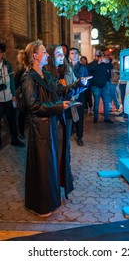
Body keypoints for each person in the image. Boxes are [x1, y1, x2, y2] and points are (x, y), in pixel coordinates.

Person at [19, 40, 88, 217]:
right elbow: (32, 106)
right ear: (35, 55)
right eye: (44, 52)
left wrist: (79, 84)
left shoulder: (47, 75)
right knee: (43, 168)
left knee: (51, 166)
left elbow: (63, 91)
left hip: (51, 125)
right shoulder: (28, 77)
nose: (48, 55)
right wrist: (58, 107)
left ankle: (51, 200)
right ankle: (40, 205)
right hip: (40, 129)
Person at [45, 44, 79, 199]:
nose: (61, 56)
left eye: (62, 53)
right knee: (55, 148)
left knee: (66, 145)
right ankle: (56, 178)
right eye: (58, 53)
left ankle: (65, 174)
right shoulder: (47, 73)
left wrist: (74, 92)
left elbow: (72, 89)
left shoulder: (67, 69)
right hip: (54, 115)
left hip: (68, 113)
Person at [0, 42, 25, 149]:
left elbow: (11, 82)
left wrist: (14, 94)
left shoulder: (7, 65)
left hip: (9, 97)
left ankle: (15, 139)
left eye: (0, 52)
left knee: (12, 120)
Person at [69, 47, 89, 146]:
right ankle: (69, 132)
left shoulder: (83, 68)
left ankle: (79, 136)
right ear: (69, 56)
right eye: (72, 53)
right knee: (69, 115)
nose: (74, 55)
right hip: (68, 95)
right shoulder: (66, 67)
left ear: (78, 55)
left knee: (79, 117)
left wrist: (82, 85)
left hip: (79, 94)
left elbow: (86, 83)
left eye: (75, 53)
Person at [88, 50, 113, 124]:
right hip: (95, 86)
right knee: (96, 102)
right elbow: (90, 70)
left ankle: (107, 118)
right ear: (94, 56)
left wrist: (108, 61)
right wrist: (97, 64)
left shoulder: (103, 63)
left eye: (99, 56)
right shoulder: (92, 64)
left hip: (104, 85)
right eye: (97, 56)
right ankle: (95, 118)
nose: (98, 58)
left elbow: (110, 67)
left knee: (106, 101)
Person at [14, 50, 27, 139]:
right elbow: (17, 87)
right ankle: (21, 133)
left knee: (22, 115)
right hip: (23, 98)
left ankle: (22, 133)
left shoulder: (20, 72)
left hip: (25, 97)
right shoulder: (20, 73)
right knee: (22, 115)